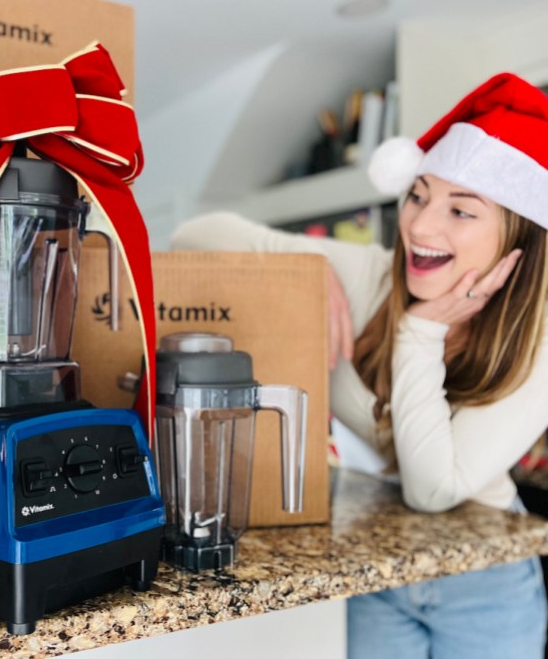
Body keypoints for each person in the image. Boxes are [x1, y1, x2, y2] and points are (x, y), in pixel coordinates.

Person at [170, 72, 548, 659]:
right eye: (418, 194)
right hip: (375, 568)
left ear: (518, 235)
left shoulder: (537, 347)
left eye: (461, 211)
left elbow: (433, 490)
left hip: (485, 582)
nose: (421, 226)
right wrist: (301, 273)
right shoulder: (370, 276)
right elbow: (195, 236)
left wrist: (419, 332)